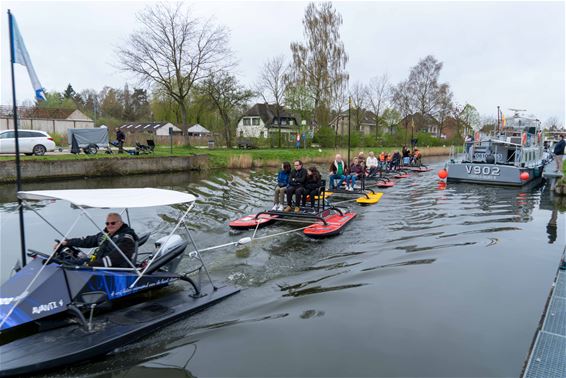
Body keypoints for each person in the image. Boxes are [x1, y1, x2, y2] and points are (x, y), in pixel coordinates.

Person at [57, 213, 138, 268]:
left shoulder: (126, 239)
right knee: (62, 263)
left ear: (120, 223)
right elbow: (88, 241)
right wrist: (67, 242)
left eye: (113, 223)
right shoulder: (106, 234)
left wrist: (89, 265)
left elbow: (114, 259)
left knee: (73, 266)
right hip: (97, 263)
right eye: (107, 223)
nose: (109, 225)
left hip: (113, 269)